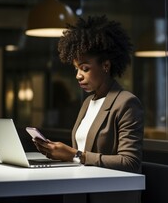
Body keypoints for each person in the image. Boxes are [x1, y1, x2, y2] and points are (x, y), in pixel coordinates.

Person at [33, 15, 144, 203]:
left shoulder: (126, 103)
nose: (78, 75)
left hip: (108, 196)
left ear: (106, 65)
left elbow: (130, 162)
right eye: (76, 69)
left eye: (84, 68)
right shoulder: (87, 103)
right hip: (80, 191)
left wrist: (75, 155)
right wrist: (57, 152)